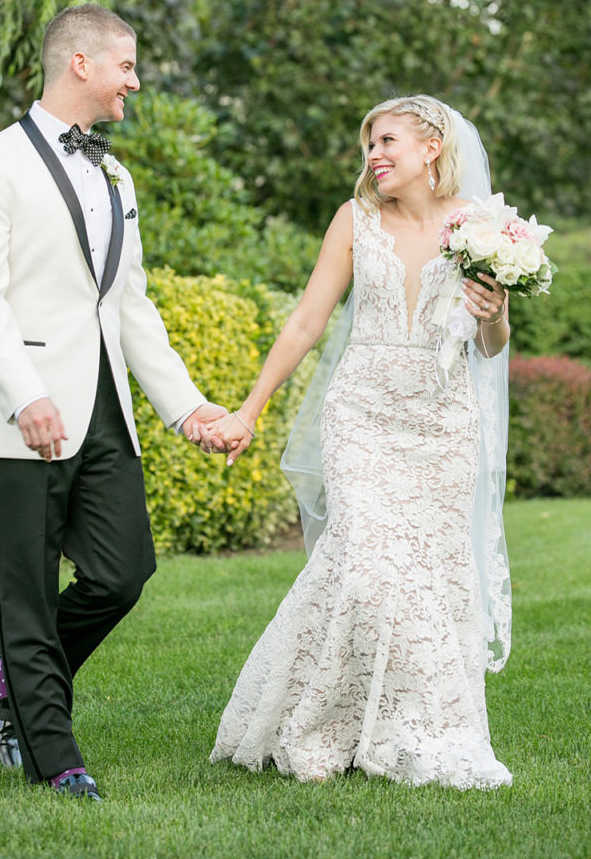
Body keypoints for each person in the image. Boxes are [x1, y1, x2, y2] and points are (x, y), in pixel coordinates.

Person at [0, 3, 226, 801]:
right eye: (126, 67)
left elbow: (128, 304)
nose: (133, 82)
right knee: (27, 591)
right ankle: (56, 757)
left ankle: (9, 674)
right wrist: (25, 395)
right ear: (80, 64)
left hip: (105, 411)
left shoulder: (114, 172)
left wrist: (187, 408)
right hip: (21, 414)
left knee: (122, 572)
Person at [208, 95, 513, 788]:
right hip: (363, 416)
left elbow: (492, 347)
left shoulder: (480, 226)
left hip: (442, 423)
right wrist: (249, 409)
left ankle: (413, 726)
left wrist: (493, 313)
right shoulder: (353, 221)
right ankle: (320, 722)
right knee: (371, 567)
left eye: (386, 142)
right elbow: (305, 323)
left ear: (431, 145)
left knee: (430, 582)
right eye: (368, 146)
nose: (373, 156)